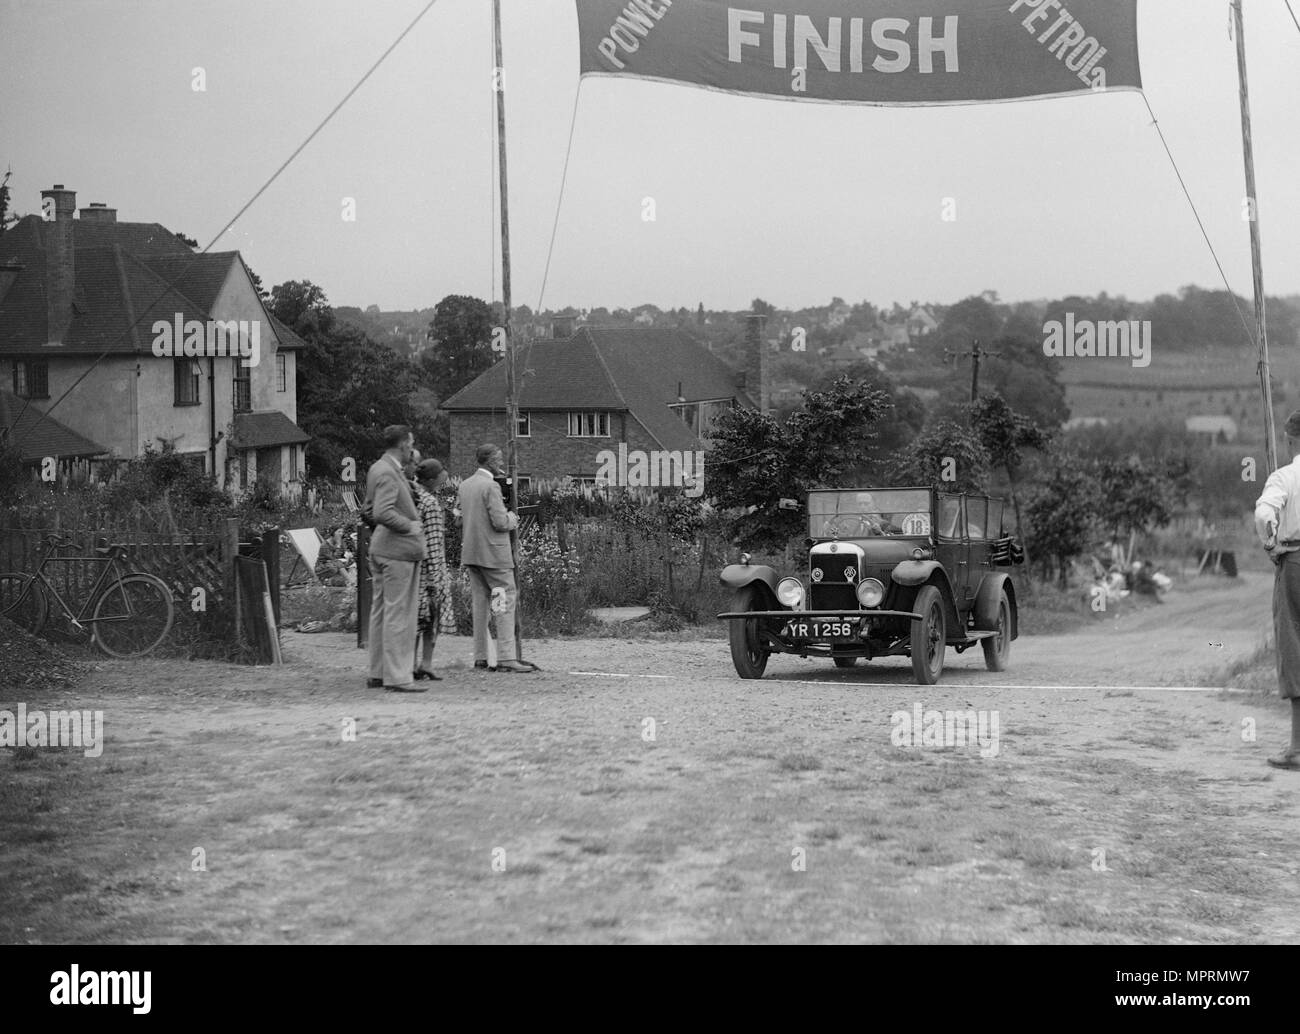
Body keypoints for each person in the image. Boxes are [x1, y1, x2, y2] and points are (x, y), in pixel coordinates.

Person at [457, 443, 535, 673]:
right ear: (490, 461)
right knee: (504, 600)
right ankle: (506, 656)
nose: (502, 463)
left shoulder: (465, 485)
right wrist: (513, 516)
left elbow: (460, 518)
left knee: (480, 605)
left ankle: (481, 656)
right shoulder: (490, 487)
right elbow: (500, 522)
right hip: (494, 555)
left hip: (472, 553)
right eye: (499, 458)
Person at [363, 425, 426, 693]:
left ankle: (378, 672)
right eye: (410, 444)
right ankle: (398, 677)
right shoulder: (388, 472)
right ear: (402, 445)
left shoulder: (378, 468)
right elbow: (382, 512)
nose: (412, 449)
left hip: (381, 549)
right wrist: (408, 526)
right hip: (396, 551)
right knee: (399, 614)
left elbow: (368, 508)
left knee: (381, 612)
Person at [1254, 411, 1300, 770]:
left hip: (1296, 561)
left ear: (1290, 440)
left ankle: (1297, 748)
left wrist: (1271, 544)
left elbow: (1263, 513)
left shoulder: (1285, 476)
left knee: (1294, 648)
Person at [412, 458, 454, 681]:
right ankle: (425, 663)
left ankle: (410, 663)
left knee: (416, 621)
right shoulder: (430, 503)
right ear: (431, 480)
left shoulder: (412, 496)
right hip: (430, 572)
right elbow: (434, 542)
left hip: (414, 569)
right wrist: (437, 577)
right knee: (431, 618)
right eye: (441, 477)